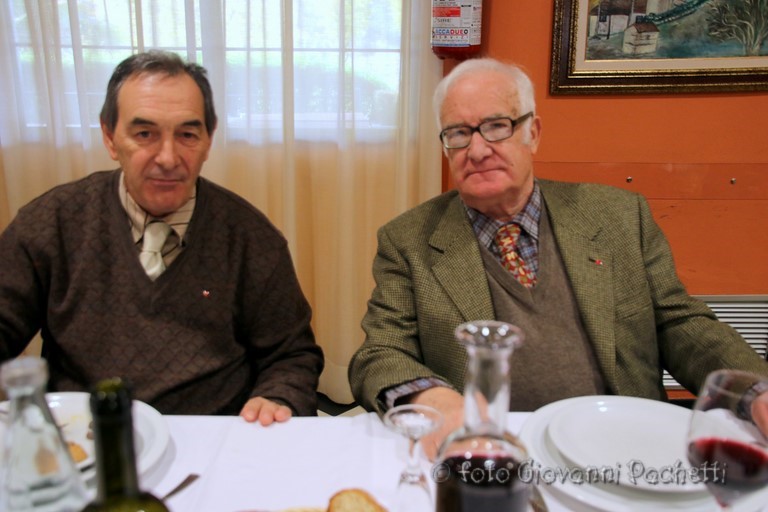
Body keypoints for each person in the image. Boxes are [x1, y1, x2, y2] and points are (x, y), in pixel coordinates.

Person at [348, 58, 768, 456]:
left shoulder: (618, 216)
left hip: (625, 444)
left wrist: (756, 390)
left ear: (532, 133)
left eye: (496, 126)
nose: (476, 150)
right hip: (489, 451)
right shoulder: (409, 240)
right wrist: (434, 399)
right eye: (458, 133)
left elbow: (680, 324)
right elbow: (380, 353)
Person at [0, 50, 323, 424]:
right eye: (144, 134)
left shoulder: (251, 238)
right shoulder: (50, 224)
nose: (168, 158)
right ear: (110, 137)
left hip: (213, 436)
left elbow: (292, 354)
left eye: (187, 135)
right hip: (87, 436)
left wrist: (277, 397)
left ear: (208, 140)